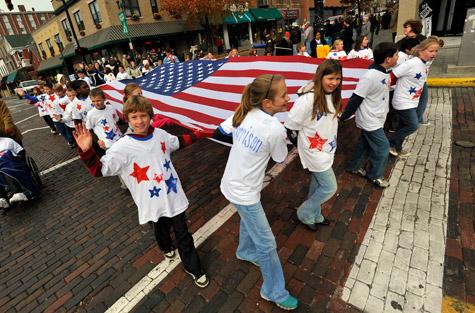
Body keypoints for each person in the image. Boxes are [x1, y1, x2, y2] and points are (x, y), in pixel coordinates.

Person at [74, 95, 210, 287]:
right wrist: (87, 151)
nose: (140, 121)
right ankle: (165, 246)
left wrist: (199, 134)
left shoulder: (160, 134)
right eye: (135, 117)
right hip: (152, 201)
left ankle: (193, 266)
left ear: (150, 116)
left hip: (173, 195)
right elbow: (99, 170)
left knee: (183, 234)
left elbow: (178, 141)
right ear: (127, 119)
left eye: (144, 116)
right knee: (161, 228)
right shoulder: (122, 147)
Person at [216, 74, 299, 311]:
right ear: (267, 103)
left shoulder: (243, 112)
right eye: (283, 95)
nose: (288, 97)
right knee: (267, 244)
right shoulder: (274, 128)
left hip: (232, 184)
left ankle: (244, 250)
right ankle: (273, 290)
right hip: (244, 192)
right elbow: (281, 157)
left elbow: (219, 131)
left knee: (248, 219)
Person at [284, 60, 341, 232]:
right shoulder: (308, 99)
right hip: (314, 152)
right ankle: (304, 212)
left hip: (327, 148)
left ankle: (314, 215)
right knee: (330, 187)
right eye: (330, 78)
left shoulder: (332, 95)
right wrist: (303, 149)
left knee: (317, 185)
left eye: (338, 78)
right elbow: (290, 126)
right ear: (320, 76)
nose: (334, 82)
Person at [340, 42, 399, 188]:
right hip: (369, 119)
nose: (399, 57)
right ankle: (375, 175)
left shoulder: (384, 72)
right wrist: (344, 116)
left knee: (364, 143)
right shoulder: (370, 76)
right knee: (383, 147)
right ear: (388, 59)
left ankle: (353, 166)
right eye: (396, 55)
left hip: (377, 117)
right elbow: (356, 98)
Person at [389, 37, 443, 157]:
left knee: (403, 126)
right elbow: (393, 76)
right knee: (413, 125)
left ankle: (396, 148)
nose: (434, 54)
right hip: (403, 102)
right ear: (420, 51)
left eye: (436, 51)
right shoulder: (411, 63)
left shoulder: (423, 64)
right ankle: (389, 142)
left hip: (412, 101)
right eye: (431, 51)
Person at [0, 137, 40, 208]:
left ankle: (19, 192)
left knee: (7, 169)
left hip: (11, 162)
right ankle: (2, 198)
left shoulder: (7, 140)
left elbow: (21, 152)